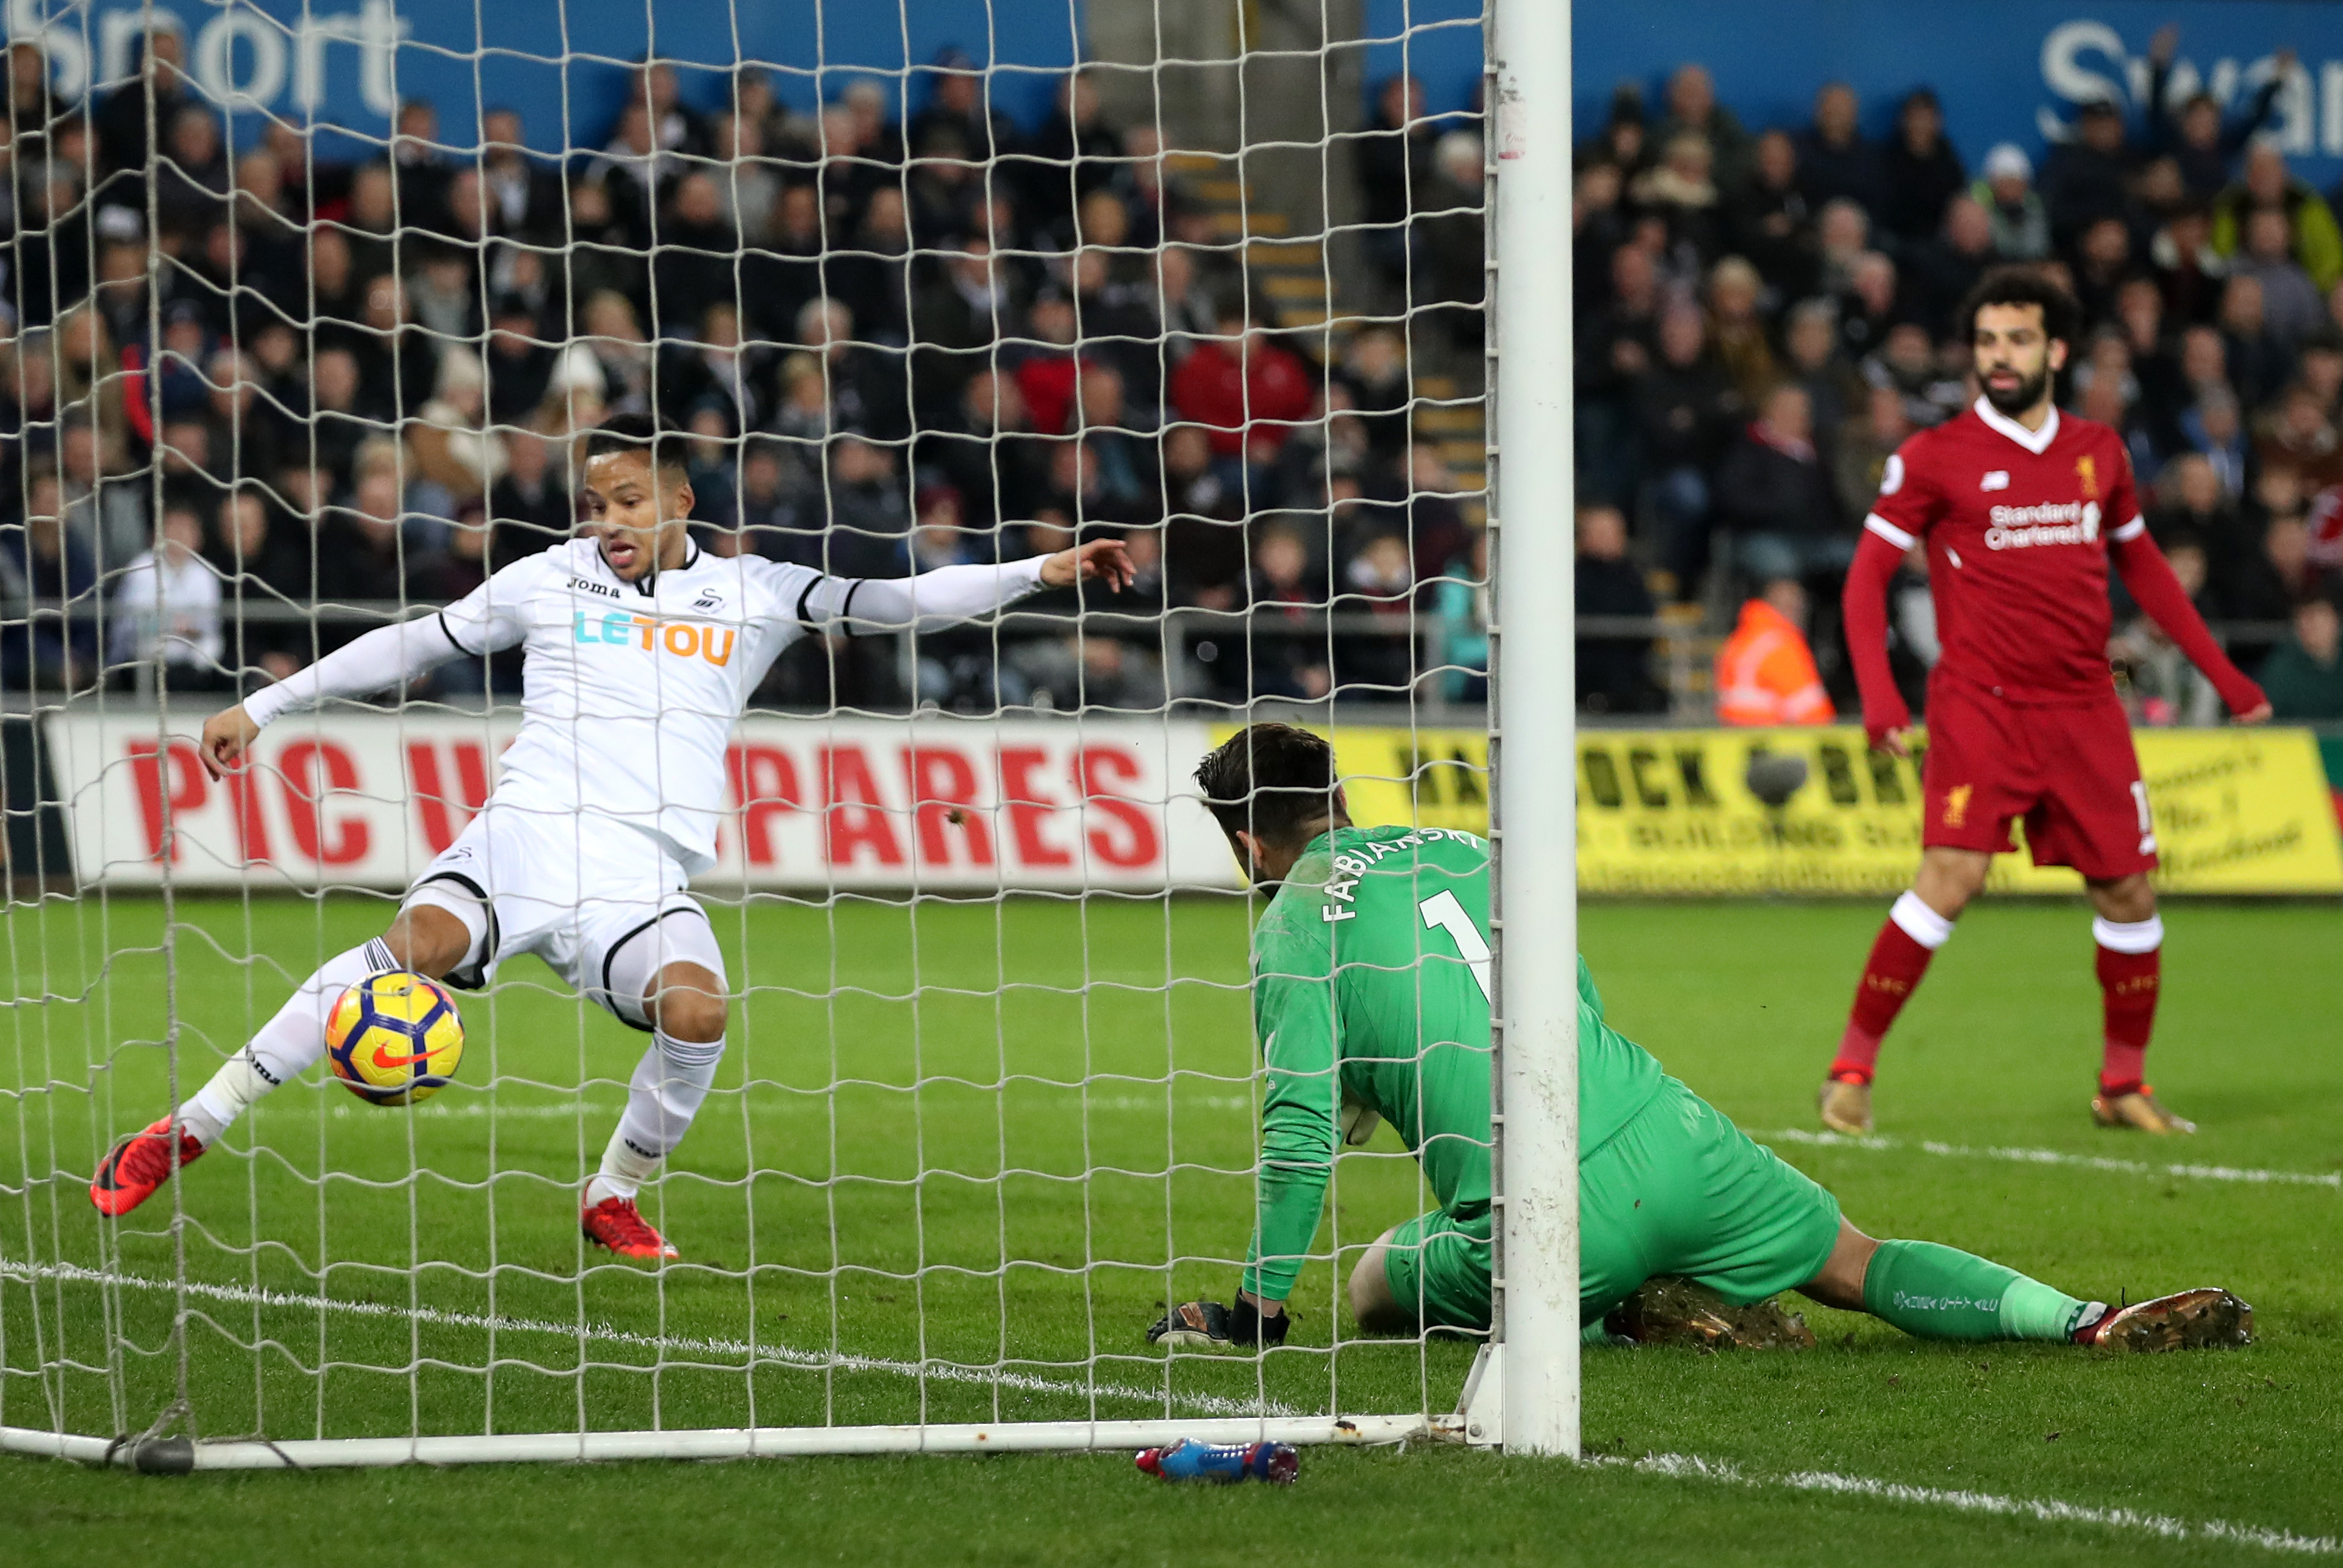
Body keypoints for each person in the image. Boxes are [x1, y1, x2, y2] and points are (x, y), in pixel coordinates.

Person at [90, 414, 1134, 1258]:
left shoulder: (755, 590)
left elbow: (900, 599)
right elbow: (412, 642)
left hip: (643, 871)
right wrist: (268, 705)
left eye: (630, 500)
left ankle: (612, 1194)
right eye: (595, 504)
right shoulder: (549, 576)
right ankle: (187, 1126)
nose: (609, 520)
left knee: (698, 1012)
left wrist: (1035, 574)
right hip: (528, 832)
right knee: (410, 954)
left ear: (681, 500)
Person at [1146, 724, 2253, 1353]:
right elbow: (1566, 988)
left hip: (1546, 1212)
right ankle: (2081, 1320)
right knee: (1851, 1261)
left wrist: (1256, 1309)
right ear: (1338, 797)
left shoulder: (1289, 924)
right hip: (1659, 1119)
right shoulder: (1462, 844)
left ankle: (1611, 1309)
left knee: (1374, 1282)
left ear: (1248, 836)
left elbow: (1298, 1131)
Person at [1825, 271, 2272, 1140]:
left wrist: (2226, 678)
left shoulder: (2099, 451)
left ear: (2055, 351)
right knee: (1949, 879)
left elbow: (2143, 568)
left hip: (2084, 705)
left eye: (2017, 340)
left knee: (2131, 892)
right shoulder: (1931, 456)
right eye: (1987, 341)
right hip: (1980, 704)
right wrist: (1879, 697)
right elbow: (1866, 576)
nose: (1999, 356)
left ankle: (2122, 1086)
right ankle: (1850, 1072)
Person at [1715, 577, 1833, 726]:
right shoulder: (1782, 646)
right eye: (1795, 608)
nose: (1799, 615)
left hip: (1733, 739)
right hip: (1773, 739)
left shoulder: (1738, 641)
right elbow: (1814, 713)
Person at [2258, 593, 2343, 720]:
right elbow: (2266, 717)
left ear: (2335, 621)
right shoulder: (2282, 668)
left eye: (2316, 619)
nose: (2307, 626)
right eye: (2302, 620)